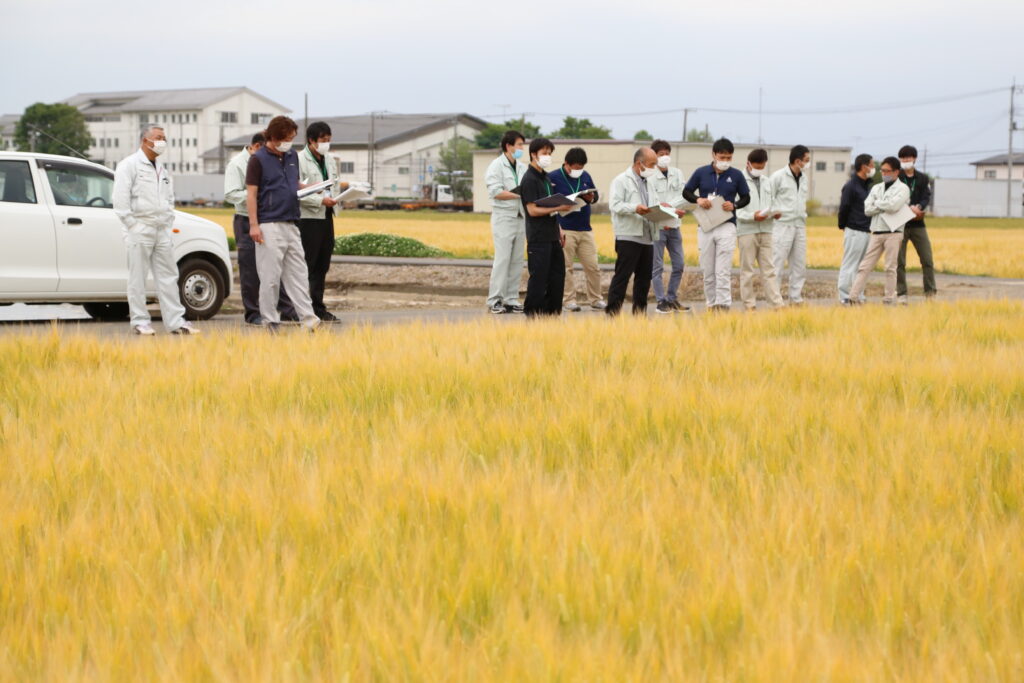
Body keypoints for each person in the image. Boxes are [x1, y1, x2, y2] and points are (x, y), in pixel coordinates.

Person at [112, 125, 199, 335]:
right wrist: (133, 225)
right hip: (140, 228)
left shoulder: (161, 168)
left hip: (161, 229)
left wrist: (167, 221)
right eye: (158, 137)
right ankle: (140, 321)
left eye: (164, 138)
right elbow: (120, 200)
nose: (162, 141)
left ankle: (176, 321)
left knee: (169, 275)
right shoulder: (129, 165)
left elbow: (169, 198)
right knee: (138, 278)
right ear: (145, 140)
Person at [245, 115, 321, 332]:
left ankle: (309, 319)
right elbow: (251, 194)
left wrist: (312, 187)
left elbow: (293, 184)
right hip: (269, 223)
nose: (291, 141)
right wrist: (253, 225)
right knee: (270, 277)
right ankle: (270, 320)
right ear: (275, 137)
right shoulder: (258, 159)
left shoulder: (292, 157)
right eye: (288, 138)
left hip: (291, 222)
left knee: (298, 274)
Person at [224, 132, 296, 325]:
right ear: (256, 146)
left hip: (269, 218)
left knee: (276, 265)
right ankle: (253, 313)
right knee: (250, 268)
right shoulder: (237, 164)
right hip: (247, 219)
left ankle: (287, 309)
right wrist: (255, 196)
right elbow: (231, 194)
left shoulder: (269, 161)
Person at [683, 138, 751, 312]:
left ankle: (724, 305)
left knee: (723, 269)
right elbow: (686, 191)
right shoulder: (701, 172)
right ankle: (711, 304)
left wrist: (734, 204)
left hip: (727, 225)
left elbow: (746, 197)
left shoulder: (736, 175)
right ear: (713, 155)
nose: (725, 161)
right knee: (708, 270)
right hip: (706, 226)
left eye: (729, 158)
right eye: (722, 157)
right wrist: (698, 199)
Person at [298, 121, 350, 322]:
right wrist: (320, 200)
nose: (326, 144)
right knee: (306, 266)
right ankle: (301, 309)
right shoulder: (300, 160)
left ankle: (318, 307)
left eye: (328, 140)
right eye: (323, 140)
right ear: (311, 141)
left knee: (322, 265)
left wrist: (338, 199)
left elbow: (334, 185)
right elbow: (299, 192)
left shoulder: (328, 160)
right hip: (309, 218)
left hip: (327, 216)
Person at [848, 157, 913, 305]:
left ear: (896, 172)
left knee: (890, 267)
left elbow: (894, 207)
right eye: (882, 170)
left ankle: (888, 299)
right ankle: (853, 297)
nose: (883, 173)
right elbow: (867, 209)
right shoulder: (876, 187)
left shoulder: (903, 188)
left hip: (893, 232)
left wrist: (877, 203)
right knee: (864, 266)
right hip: (876, 231)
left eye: (887, 171)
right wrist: (883, 205)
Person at [548, 146, 603, 312]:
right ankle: (569, 300)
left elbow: (595, 198)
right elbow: (548, 201)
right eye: (576, 167)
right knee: (566, 267)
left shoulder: (585, 176)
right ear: (566, 164)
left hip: (585, 227)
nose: (579, 171)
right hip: (565, 228)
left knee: (593, 266)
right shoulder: (553, 177)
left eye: (581, 167)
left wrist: (590, 198)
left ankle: (596, 299)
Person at [606, 148, 660, 316]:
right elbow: (614, 205)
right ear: (639, 163)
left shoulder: (649, 182)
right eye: (652, 164)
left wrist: (665, 214)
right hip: (628, 236)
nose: (654, 168)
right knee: (622, 277)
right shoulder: (621, 180)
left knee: (644, 280)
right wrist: (634, 208)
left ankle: (639, 315)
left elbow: (654, 205)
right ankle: (612, 314)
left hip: (647, 237)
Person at [519, 137, 567, 317]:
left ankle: (553, 313)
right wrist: (559, 207)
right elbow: (532, 210)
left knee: (557, 277)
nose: (547, 157)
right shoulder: (529, 179)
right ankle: (532, 314)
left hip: (552, 234)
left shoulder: (545, 177)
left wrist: (559, 228)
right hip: (538, 237)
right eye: (544, 153)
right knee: (539, 278)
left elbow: (550, 205)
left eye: (549, 154)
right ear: (533, 154)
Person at [484, 130, 528, 314]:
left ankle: (511, 299)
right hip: (504, 218)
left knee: (517, 260)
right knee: (502, 260)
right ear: (508, 146)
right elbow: (495, 191)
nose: (521, 148)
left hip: (521, 218)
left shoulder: (522, 167)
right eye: (519, 145)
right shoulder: (496, 166)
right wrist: (518, 193)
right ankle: (494, 300)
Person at [735, 148, 784, 311]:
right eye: (756, 166)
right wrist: (752, 216)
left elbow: (772, 203)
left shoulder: (766, 181)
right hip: (747, 231)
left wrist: (775, 213)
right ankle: (749, 305)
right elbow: (735, 209)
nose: (759, 170)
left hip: (767, 229)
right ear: (748, 164)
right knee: (747, 270)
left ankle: (776, 304)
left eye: (762, 167)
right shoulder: (738, 180)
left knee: (769, 270)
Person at [647, 139, 689, 313]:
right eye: (661, 154)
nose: (665, 157)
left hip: (674, 225)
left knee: (679, 264)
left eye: (667, 154)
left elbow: (684, 196)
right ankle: (660, 300)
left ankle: (672, 298)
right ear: (654, 156)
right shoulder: (649, 176)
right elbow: (653, 201)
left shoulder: (677, 173)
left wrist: (669, 207)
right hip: (658, 225)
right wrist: (669, 208)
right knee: (657, 266)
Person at [770, 145, 811, 305]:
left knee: (799, 265)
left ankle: (796, 298)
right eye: (806, 160)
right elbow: (768, 198)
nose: (808, 163)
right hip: (782, 225)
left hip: (799, 225)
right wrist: (774, 212)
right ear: (797, 160)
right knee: (777, 263)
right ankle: (775, 299)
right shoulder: (778, 176)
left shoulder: (804, 178)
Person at [896, 144, 936, 303]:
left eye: (909, 157)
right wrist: (907, 208)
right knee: (899, 262)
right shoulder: (896, 177)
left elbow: (926, 196)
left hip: (918, 223)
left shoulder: (922, 178)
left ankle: (930, 292)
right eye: (903, 158)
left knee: (927, 259)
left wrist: (918, 207)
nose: (906, 160)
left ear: (915, 159)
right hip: (900, 224)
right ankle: (901, 293)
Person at [836, 154, 875, 304]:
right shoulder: (851, 186)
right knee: (850, 264)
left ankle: (858, 295)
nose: (873, 168)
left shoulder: (866, 186)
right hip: (854, 230)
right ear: (863, 166)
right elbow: (844, 207)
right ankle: (845, 295)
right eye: (871, 165)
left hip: (866, 230)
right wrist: (843, 225)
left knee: (862, 266)